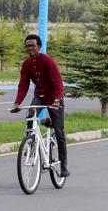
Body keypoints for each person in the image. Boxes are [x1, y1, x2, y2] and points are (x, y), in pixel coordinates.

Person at [11, 34, 69, 177]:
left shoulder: (48, 61)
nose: (30, 48)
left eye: (33, 46)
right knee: (30, 115)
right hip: (40, 96)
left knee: (59, 131)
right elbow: (23, 85)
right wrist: (17, 103)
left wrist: (57, 99)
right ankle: (31, 145)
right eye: (28, 46)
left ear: (39, 47)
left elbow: (58, 83)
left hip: (54, 97)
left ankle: (63, 165)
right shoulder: (26, 64)